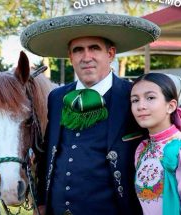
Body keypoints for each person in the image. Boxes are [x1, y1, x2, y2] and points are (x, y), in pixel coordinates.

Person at [20, 13, 161, 214]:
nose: (86, 57)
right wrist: (42, 201)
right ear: (70, 57)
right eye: (78, 50)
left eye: (94, 48)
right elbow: (48, 153)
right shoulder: (57, 97)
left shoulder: (133, 95)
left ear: (111, 54)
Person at [131, 73, 181, 215]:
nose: (140, 106)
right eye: (135, 100)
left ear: (171, 106)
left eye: (150, 98)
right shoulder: (141, 150)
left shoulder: (178, 149)